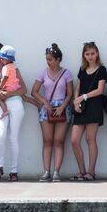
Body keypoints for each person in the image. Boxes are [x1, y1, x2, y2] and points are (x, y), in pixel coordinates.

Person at [32, 43, 72, 182]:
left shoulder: (66, 73)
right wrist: (45, 102)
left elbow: (70, 93)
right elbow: (34, 91)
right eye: (47, 59)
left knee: (59, 141)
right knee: (47, 141)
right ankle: (46, 171)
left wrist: (62, 106)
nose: (48, 62)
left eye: (50, 59)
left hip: (62, 107)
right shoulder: (43, 73)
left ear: (58, 59)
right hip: (47, 108)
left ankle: (56, 172)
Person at [70, 41, 107, 181]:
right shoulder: (82, 69)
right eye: (87, 54)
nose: (90, 56)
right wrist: (76, 102)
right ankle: (82, 171)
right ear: (84, 55)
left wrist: (83, 97)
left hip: (94, 106)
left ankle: (91, 172)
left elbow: (100, 90)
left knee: (90, 139)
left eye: (92, 53)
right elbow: (77, 87)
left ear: (97, 53)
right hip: (81, 107)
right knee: (74, 140)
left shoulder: (101, 69)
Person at [0, 45, 26, 181]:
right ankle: (0, 167)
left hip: (15, 102)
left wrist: (8, 93)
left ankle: (14, 171)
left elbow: (24, 89)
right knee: (1, 134)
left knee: (13, 138)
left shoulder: (12, 68)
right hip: (3, 103)